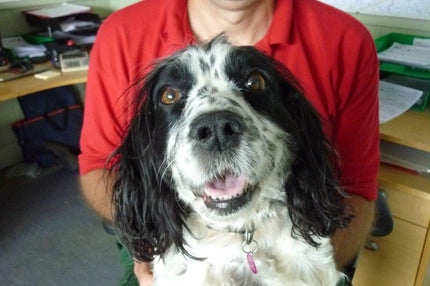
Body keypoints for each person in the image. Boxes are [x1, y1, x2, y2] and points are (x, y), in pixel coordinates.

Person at [79, 0, 379, 285]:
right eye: (171, 96)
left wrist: (312, 270)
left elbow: (356, 185)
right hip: (165, 229)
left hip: (306, 227)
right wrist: (150, 240)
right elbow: (98, 166)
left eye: (253, 84)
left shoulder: (345, 39)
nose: (216, 129)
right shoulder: (121, 32)